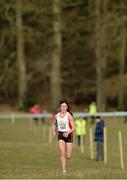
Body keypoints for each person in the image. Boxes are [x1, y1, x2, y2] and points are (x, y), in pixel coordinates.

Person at [52, 99, 75, 174]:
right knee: (62, 153)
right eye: (62, 106)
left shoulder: (69, 115)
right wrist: (53, 131)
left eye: (65, 106)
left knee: (68, 156)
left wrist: (68, 132)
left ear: (67, 107)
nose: (63, 108)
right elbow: (53, 124)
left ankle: (68, 157)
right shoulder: (57, 115)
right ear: (60, 107)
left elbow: (74, 128)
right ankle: (64, 170)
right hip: (61, 135)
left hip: (68, 135)